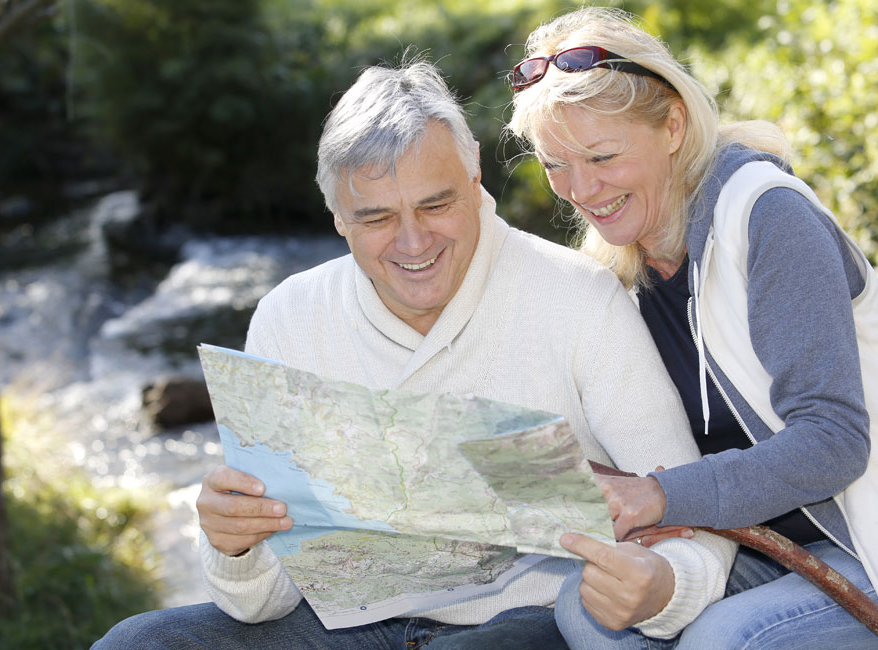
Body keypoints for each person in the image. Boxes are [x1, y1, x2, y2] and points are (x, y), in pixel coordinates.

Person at [93, 60, 735, 649]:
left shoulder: (579, 299)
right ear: (336, 214)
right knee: (135, 643)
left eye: (437, 203)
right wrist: (235, 550)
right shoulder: (290, 318)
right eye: (375, 218)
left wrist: (662, 589)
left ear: (474, 172)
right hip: (345, 629)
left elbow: (697, 522)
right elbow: (265, 604)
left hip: (526, 627)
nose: (412, 242)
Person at [505, 7, 878, 650]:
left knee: (724, 640)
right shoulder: (619, 270)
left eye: (602, 156)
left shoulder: (768, 216)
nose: (581, 189)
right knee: (587, 608)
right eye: (556, 166)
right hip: (753, 547)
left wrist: (661, 495)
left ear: (672, 125)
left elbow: (833, 442)